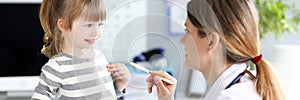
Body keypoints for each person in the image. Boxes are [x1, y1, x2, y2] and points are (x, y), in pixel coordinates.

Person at [147, 0, 286, 100]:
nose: (182, 40)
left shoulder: (231, 97)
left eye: (187, 31)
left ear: (211, 41)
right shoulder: (243, 83)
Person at [32, 0, 130, 99]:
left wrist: (119, 85)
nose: (96, 32)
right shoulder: (57, 67)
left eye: (100, 24)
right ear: (63, 25)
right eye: (88, 25)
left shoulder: (100, 57)